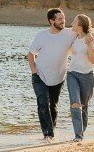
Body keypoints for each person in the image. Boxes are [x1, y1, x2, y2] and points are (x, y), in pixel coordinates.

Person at [26, 8, 76, 140]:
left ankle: (51, 129)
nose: (63, 21)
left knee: (53, 106)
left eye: (63, 18)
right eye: (59, 19)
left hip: (59, 77)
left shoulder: (70, 33)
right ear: (51, 21)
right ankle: (48, 134)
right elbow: (31, 53)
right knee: (43, 103)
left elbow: (85, 32)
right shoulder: (41, 35)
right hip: (40, 75)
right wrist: (33, 70)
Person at [66, 14, 94, 140]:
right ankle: (78, 136)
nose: (71, 23)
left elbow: (92, 60)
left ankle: (81, 131)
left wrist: (89, 44)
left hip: (87, 76)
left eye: (74, 22)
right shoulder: (73, 37)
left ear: (80, 26)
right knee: (75, 103)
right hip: (72, 73)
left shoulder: (92, 39)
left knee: (84, 106)